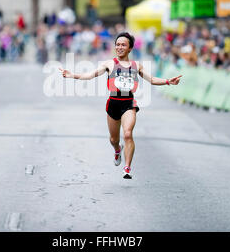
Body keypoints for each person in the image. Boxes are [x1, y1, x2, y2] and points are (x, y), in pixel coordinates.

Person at [58, 32, 182, 179]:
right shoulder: (109, 64)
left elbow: (152, 80)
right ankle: (117, 150)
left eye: (123, 45)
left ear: (130, 48)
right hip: (113, 104)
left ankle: (127, 168)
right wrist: (72, 75)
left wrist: (168, 81)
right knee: (113, 139)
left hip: (129, 103)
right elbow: (90, 75)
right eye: (117, 44)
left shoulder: (136, 66)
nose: (120, 47)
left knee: (128, 134)